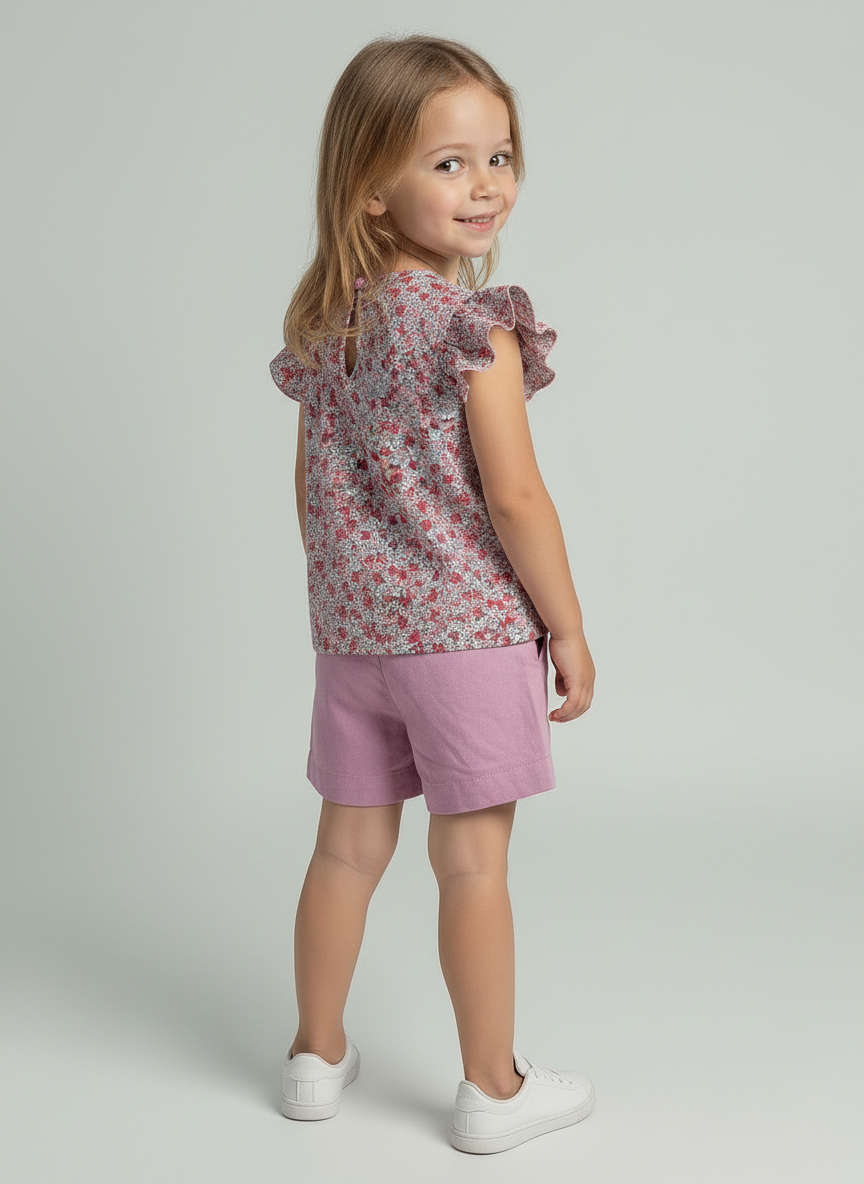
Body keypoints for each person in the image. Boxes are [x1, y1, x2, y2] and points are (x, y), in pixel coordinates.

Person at [269, 34, 596, 1155]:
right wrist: (567, 626)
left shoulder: (327, 333)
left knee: (344, 851)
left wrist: (350, 600)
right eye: (448, 163)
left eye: (499, 156)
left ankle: (315, 1055)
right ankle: (493, 1090)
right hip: (464, 638)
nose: (486, 184)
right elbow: (516, 495)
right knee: (472, 864)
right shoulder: (473, 328)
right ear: (370, 189)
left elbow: (309, 495)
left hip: (354, 642)